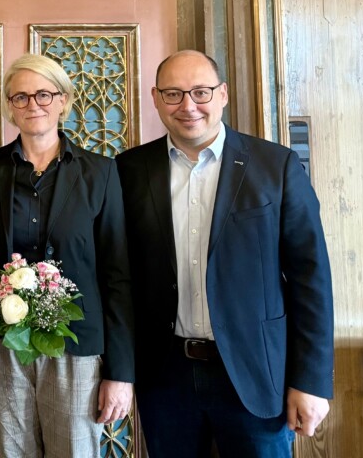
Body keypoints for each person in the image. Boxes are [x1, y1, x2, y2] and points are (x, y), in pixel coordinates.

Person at [116, 50, 333, 458]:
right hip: (166, 376)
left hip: (257, 372)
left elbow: (311, 278)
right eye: (173, 94)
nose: (188, 106)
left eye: (201, 92)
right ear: (156, 98)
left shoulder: (276, 166)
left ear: (223, 94)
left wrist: (312, 381)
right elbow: (120, 279)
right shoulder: (128, 171)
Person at [0, 53, 135, 458]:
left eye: (43, 94)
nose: (32, 104)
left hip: (75, 345)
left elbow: (118, 275)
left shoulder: (100, 172)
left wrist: (121, 373)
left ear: (63, 100)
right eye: (20, 97)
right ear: (10, 106)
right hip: (4, 343)